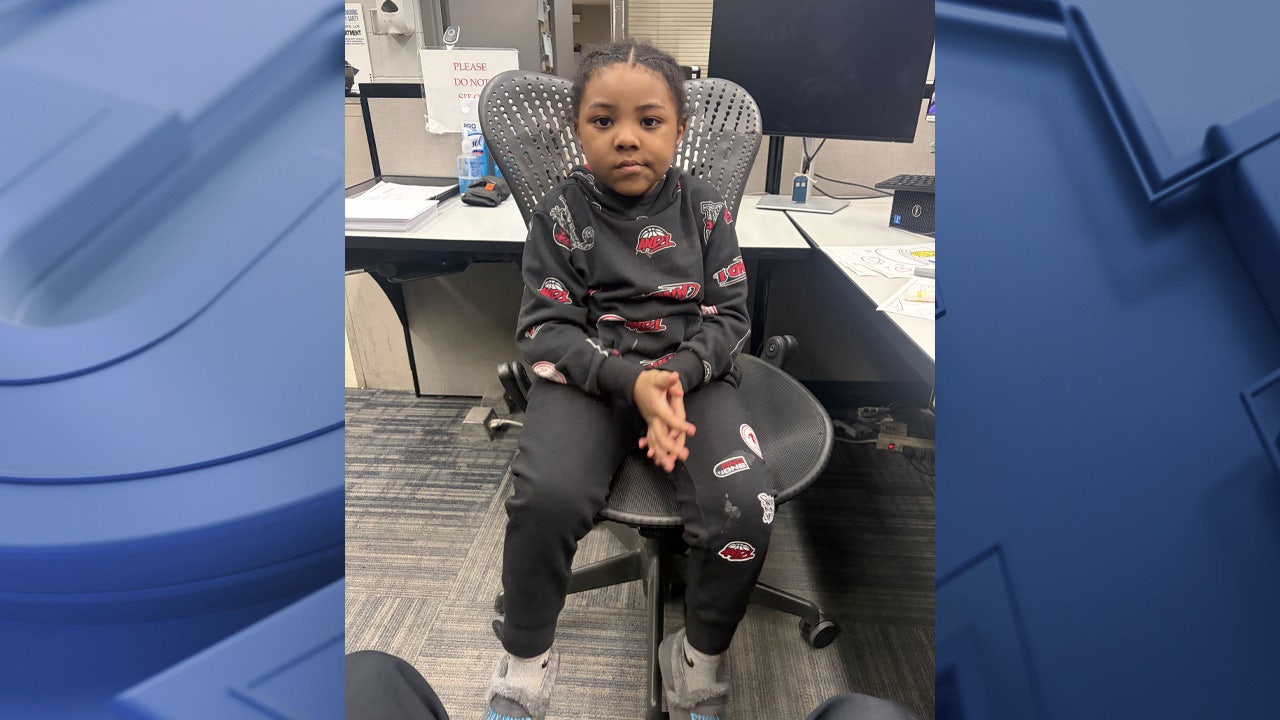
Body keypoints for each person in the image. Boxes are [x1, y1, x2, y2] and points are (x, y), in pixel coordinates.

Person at [485, 40, 772, 720]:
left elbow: (731, 317)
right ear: (577, 130)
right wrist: (628, 381)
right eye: (602, 120)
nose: (626, 138)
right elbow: (544, 329)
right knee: (545, 497)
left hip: (691, 376)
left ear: (679, 129)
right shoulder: (562, 211)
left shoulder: (704, 209)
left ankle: (698, 659)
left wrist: (673, 378)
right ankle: (525, 660)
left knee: (744, 502)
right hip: (591, 376)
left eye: (649, 120)